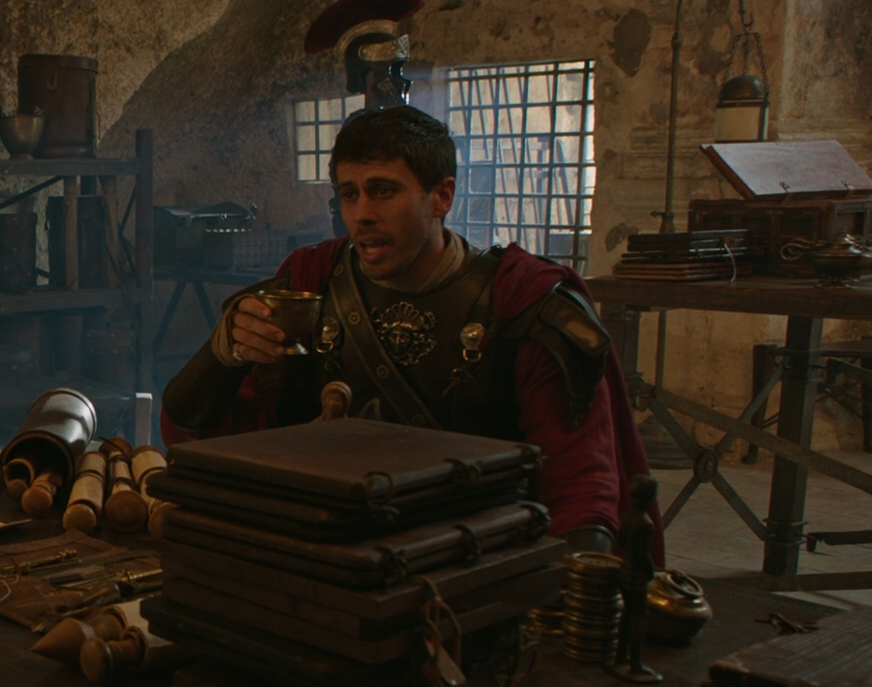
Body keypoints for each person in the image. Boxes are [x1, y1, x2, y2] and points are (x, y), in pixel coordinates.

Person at [162, 106, 662, 561]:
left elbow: (579, 486)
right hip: (333, 555)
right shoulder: (310, 285)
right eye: (349, 194)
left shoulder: (522, 304)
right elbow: (196, 432)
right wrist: (224, 352)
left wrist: (571, 594)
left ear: (442, 195)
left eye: (383, 190)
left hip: (476, 562)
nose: (361, 214)